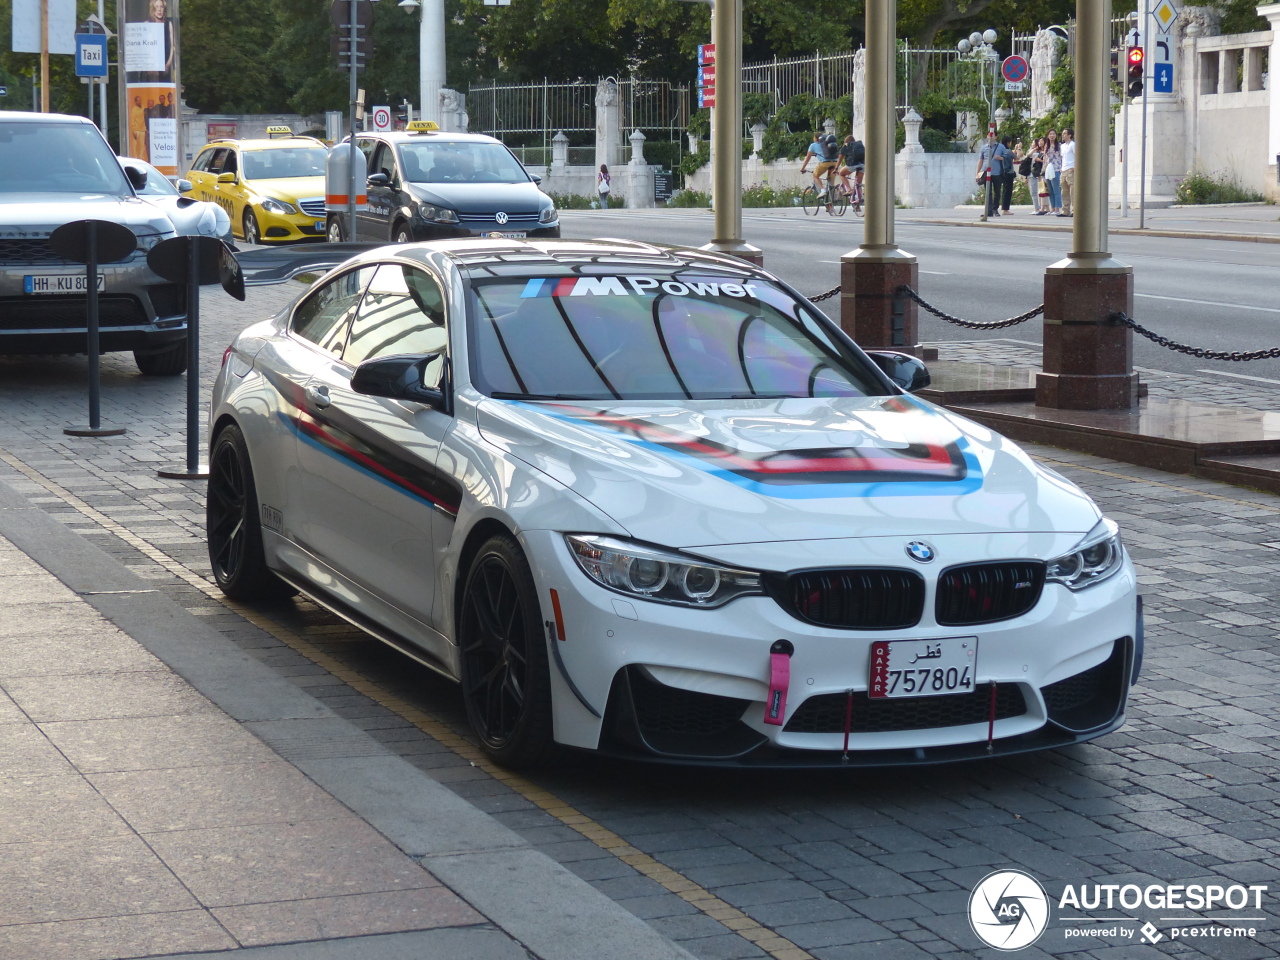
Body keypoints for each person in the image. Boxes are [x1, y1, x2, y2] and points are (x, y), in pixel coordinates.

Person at [799, 130, 840, 209]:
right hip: (835, 163)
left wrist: (802, 168)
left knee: (815, 175)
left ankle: (822, 190)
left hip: (824, 163)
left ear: (816, 138)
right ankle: (830, 204)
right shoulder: (828, 144)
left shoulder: (813, 145)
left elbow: (807, 158)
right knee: (831, 184)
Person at [973, 131, 1008, 218]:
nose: (990, 137)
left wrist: (1001, 158)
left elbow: (1007, 157)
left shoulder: (1001, 147)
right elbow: (980, 160)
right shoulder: (984, 148)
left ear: (996, 137)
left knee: (997, 192)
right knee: (988, 192)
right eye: (989, 135)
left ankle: (995, 209)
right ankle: (988, 210)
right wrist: (977, 173)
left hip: (997, 173)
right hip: (986, 173)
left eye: (992, 136)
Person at [837, 135, 865, 207]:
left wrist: (836, 168)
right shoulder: (859, 145)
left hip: (852, 165)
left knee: (841, 174)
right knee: (858, 184)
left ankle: (849, 190)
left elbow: (840, 159)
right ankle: (858, 205)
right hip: (862, 165)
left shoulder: (846, 146)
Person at [1042, 129, 1062, 215]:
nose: (1052, 135)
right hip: (1048, 169)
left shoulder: (1059, 145)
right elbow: (1045, 158)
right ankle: (1053, 208)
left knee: (1056, 189)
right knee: (1050, 190)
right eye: (1050, 134)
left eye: (1053, 134)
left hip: (1056, 168)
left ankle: (1057, 208)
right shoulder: (1046, 146)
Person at [1027, 137, 1047, 215]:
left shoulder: (1040, 152)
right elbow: (1028, 155)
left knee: (1037, 191)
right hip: (1034, 173)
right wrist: (1034, 148)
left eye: (1033, 144)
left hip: (1038, 174)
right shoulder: (1035, 152)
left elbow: (1029, 155)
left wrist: (1039, 159)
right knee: (1037, 191)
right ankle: (1039, 207)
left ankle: (1038, 208)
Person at [1059, 127, 1075, 217]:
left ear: (1070, 135)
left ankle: (1074, 210)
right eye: (1063, 133)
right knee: (1064, 191)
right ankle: (1065, 210)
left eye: (1065, 133)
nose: (1063, 135)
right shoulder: (1062, 146)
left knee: (1073, 191)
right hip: (1063, 170)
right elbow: (1062, 158)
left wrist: (1075, 167)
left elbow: (1077, 156)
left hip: (1071, 169)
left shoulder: (1073, 145)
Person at [999, 136, 1017, 215]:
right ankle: (1005, 209)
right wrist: (1019, 148)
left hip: (1002, 172)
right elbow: (1017, 157)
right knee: (1008, 191)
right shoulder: (1008, 151)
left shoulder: (1000, 150)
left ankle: (1004, 208)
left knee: (1004, 190)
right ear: (1008, 142)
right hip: (1009, 172)